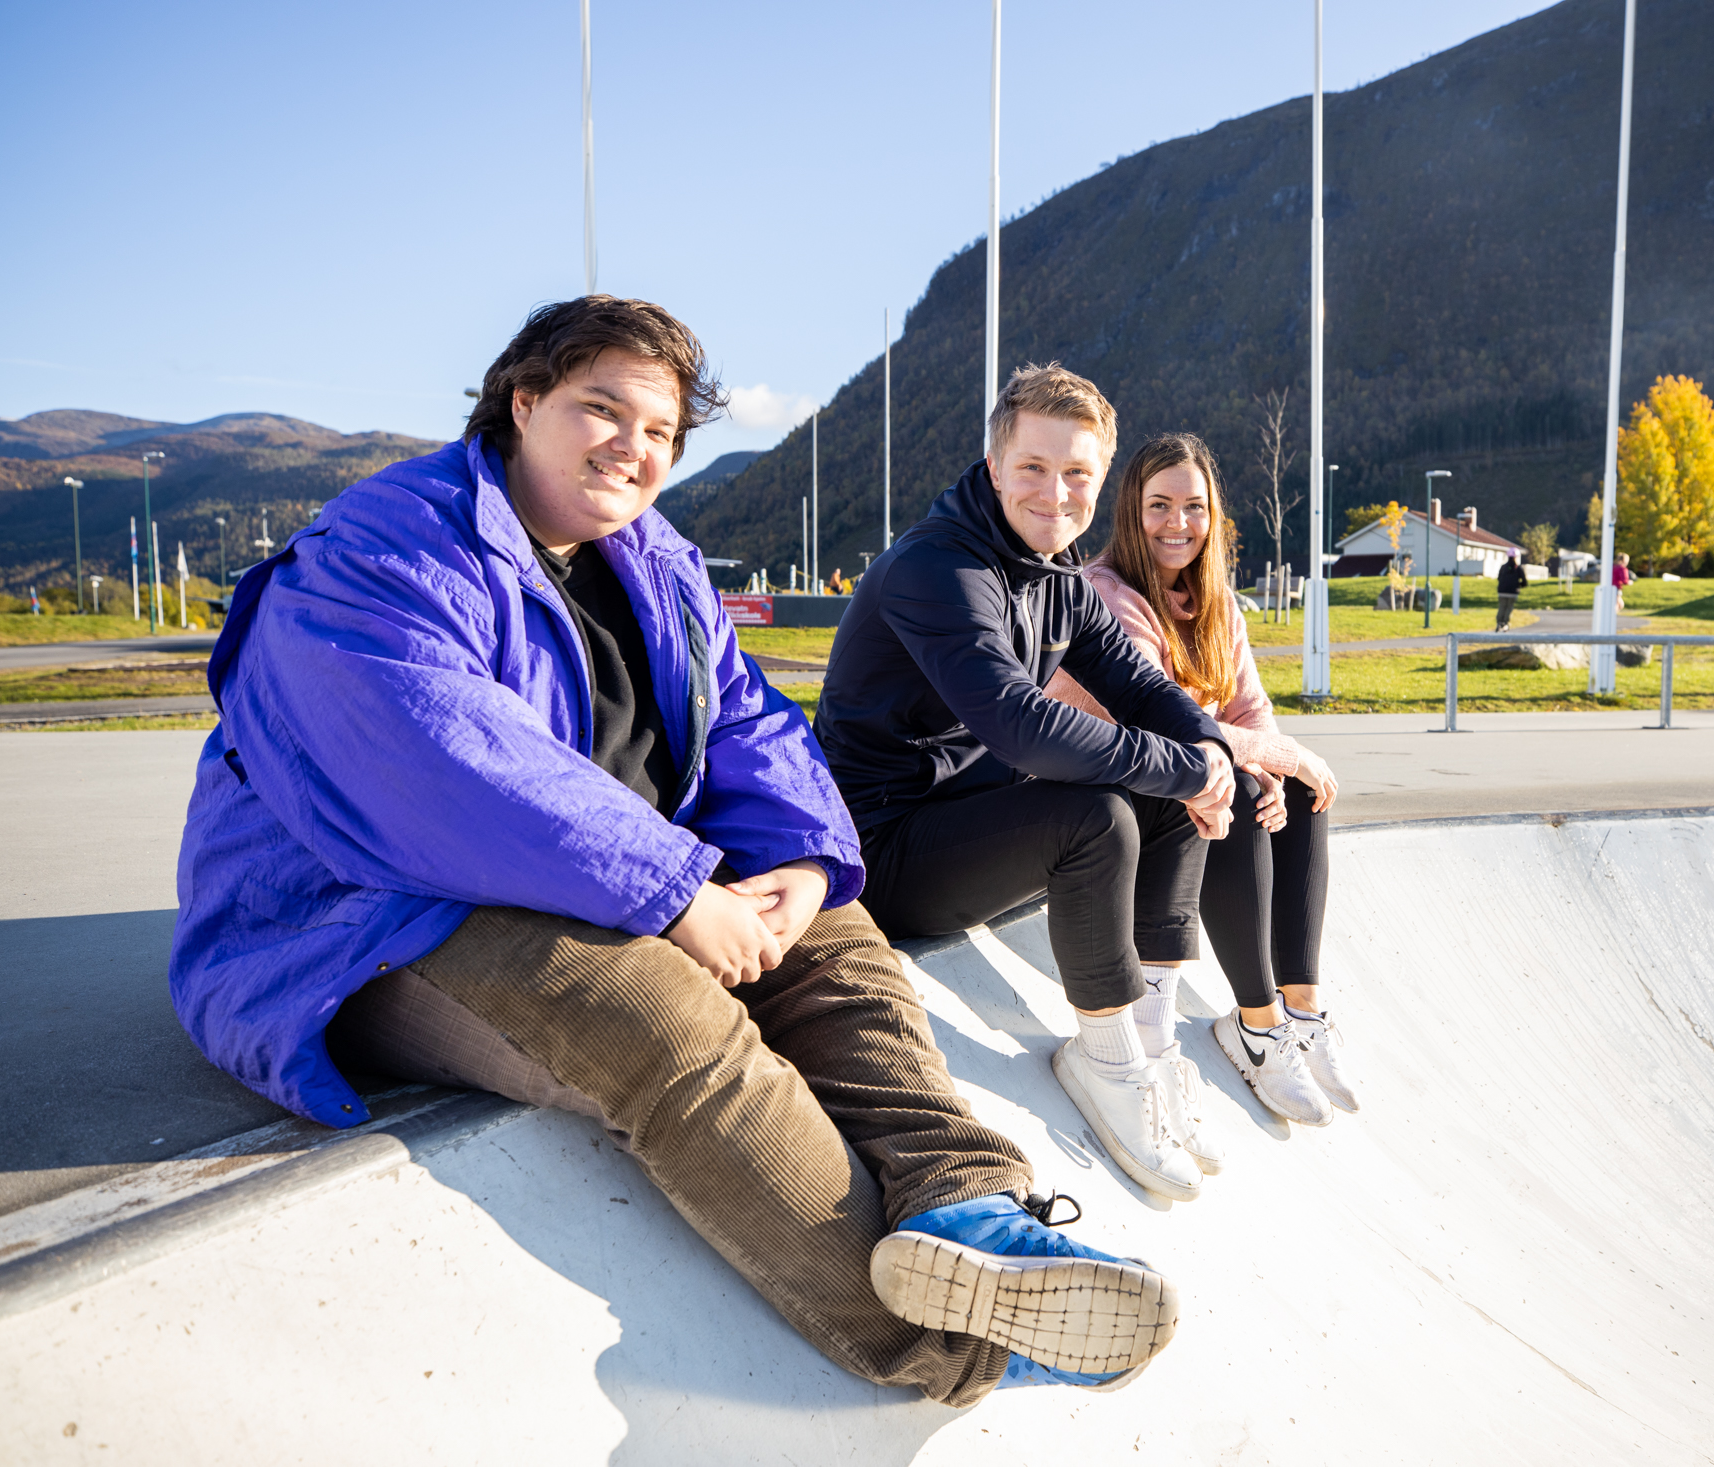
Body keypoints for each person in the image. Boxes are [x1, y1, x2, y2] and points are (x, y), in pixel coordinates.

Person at [168, 299, 1180, 1404]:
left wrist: (796, 862)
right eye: (601, 409)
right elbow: (446, 764)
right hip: (369, 917)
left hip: (611, 880)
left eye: (660, 433)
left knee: (842, 952)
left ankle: (969, 1208)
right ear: (521, 403)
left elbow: (749, 722)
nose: (633, 448)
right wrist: (677, 891)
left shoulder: (653, 560)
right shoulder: (388, 548)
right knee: (670, 1027)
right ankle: (952, 1349)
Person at [818, 364, 1239, 1207]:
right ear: (994, 463)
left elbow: (1140, 685)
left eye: (1078, 473)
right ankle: (1104, 1053)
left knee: (1168, 792)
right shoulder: (938, 567)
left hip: (962, 815)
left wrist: (1211, 750)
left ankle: (1150, 1037)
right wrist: (1189, 764)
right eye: (1035, 469)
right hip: (884, 848)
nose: (1057, 493)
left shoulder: (1052, 571)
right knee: (1096, 816)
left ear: (1101, 479)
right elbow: (1022, 724)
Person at [1046, 434, 1358, 1131]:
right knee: (1240, 788)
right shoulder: (1110, 594)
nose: (1177, 523)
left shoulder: (1218, 603)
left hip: (1184, 770)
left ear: (1214, 516)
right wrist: (1265, 763)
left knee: (1298, 789)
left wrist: (1278, 763)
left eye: (1193, 507)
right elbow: (1167, 719)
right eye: (1159, 506)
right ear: (1132, 511)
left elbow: (1247, 710)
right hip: (1111, 788)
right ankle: (1256, 1021)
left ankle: (1301, 1008)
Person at [1495, 550, 1527, 630]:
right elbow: (1524, 581)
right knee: (1509, 607)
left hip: (1502, 591)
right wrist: (1520, 585)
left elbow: (1499, 578)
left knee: (1502, 607)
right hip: (1512, 592)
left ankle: (1499, 622)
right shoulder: (1518, 568)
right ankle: (1505, 623)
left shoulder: (1503, 567)